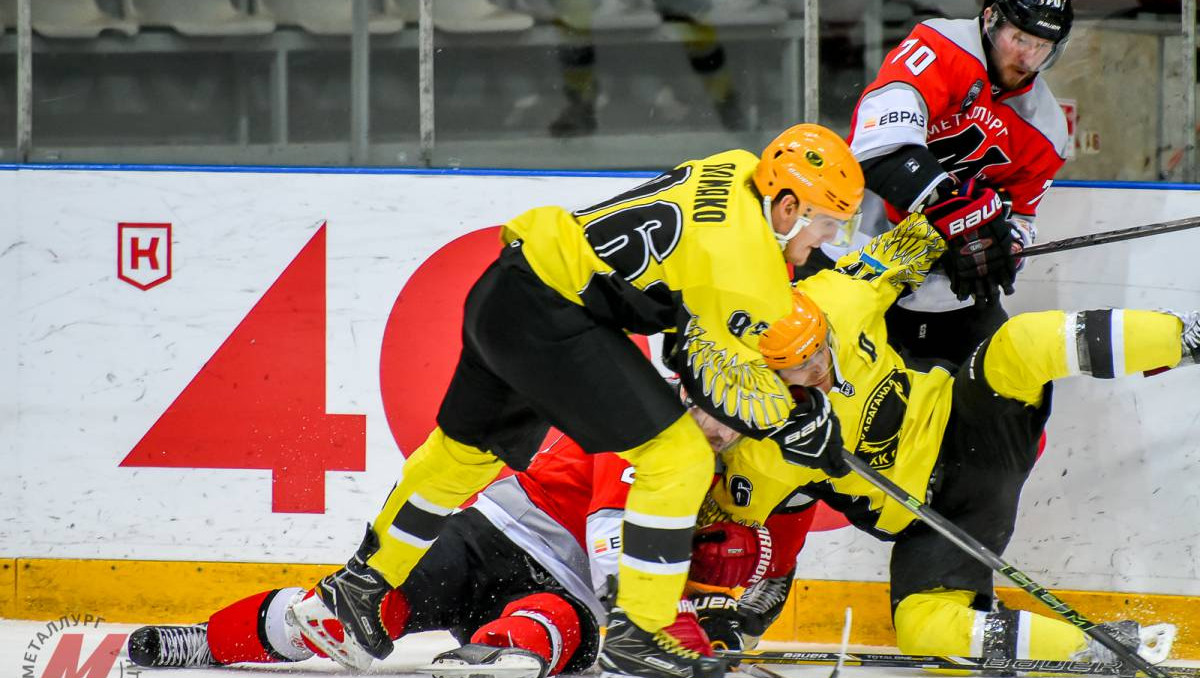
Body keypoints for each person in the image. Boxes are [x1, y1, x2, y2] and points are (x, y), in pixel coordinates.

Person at [287, 123, 865, 678]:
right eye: (827, 223)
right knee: (680, 459)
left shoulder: (737, 165)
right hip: (556, 319)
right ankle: (640, 632)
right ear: (786, 208)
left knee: (463, 454)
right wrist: (797, 421)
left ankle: (362, 585)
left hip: (506, 286)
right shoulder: (744, 271)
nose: (827, 240)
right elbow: (702, 370)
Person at [690, 212, 1194, 664]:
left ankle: (1186, 338)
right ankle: (1093, 649)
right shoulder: (756, 458)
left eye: (820, 348)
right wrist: (722, 608)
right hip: (935, 519)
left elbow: (912, 241)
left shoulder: (834, 297)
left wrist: (967, 231)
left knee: (1018, 344)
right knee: (921, 626)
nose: (819, 366)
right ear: (764, 376)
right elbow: (736, 551)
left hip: (972, 424)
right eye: (800, 366)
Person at [123, 408, 807, 674]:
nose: (719, 431)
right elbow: (613, 540)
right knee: (347, 617)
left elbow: (686, 556)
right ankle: (209, 641)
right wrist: (669, 626)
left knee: (535, 638)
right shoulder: (643, 418)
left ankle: (485, 659)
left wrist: (714, 602)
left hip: (564, 595)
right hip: (493, 537)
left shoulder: (734, 456)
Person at [800, 0, 1073, 367]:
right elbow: (879, 146)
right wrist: (955, 211)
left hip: (947, 295)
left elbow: (1022, 218)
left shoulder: (1048, 129)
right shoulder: (940, 46)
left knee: (1008, 395)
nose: (1028, 59)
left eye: (1043, 48)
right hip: (857, 260)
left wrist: (1001, 247)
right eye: (1020, 39)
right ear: (991, 19)